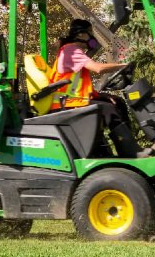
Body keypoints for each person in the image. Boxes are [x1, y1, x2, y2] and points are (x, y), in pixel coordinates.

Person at [49, 19, 146, 158]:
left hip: (72, 101)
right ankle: (131, 152)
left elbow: (78, 86)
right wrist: (122, 65)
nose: (93, 37)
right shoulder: (70, 50)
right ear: (82, 35)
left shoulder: (72, 50)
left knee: (116, 102)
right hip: (65, 103)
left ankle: (123, 149)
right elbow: (98, 68)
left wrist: (102, 96)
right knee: (107, 109)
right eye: (90, 32)